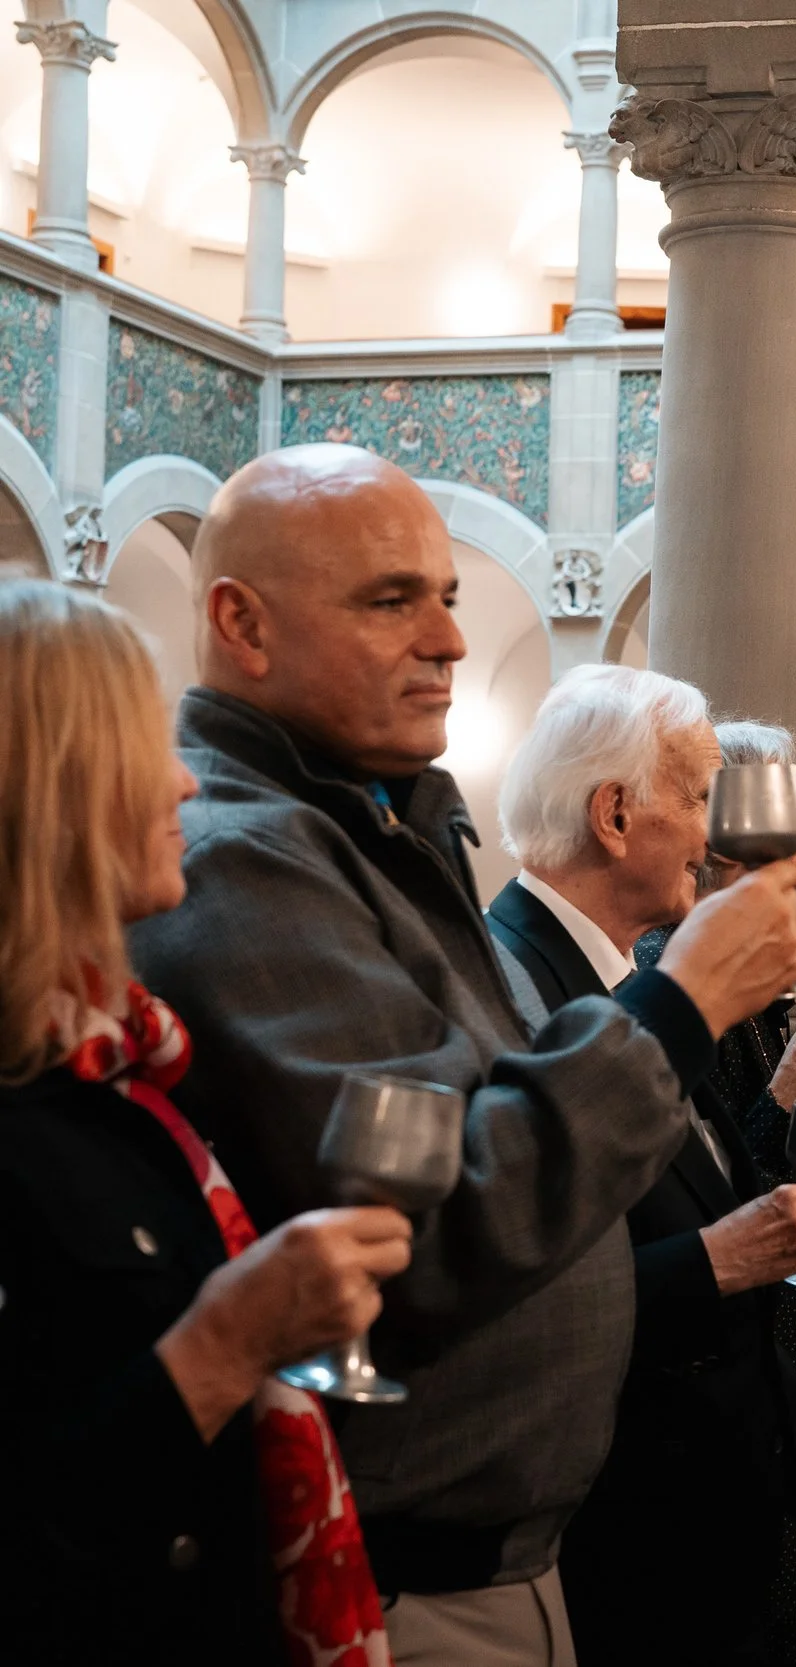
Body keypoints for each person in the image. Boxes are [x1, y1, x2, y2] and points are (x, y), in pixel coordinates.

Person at [125, 444, 796, 1666]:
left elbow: (501, 1117)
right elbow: (439, 1224)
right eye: (393, 599)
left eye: (447, 594)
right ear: (242, 622)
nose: (448, 639)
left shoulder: (386, 828)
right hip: (397, 1570)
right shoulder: (245, 860)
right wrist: (681, 1002)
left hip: (516, 1550)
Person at [0, 580, 412, 1665]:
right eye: (152, 748)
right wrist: (226, 1340)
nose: (186, 778)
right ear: (57, 789)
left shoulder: (122, 1067)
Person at [478, 667, 796, 1667]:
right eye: (699, 799)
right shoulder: (516, 982)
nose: (714, 833)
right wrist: (716, 1261)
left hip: (708, 1498)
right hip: (633, 1522)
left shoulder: (616, 971)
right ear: (613, 814)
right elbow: (515, 1284)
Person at [624, 715, 796, 1667]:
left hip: (788, 1372)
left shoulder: (737, 967)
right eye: (788, 805)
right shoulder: (666, 976)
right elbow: (719, 1192)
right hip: (733, 1389)